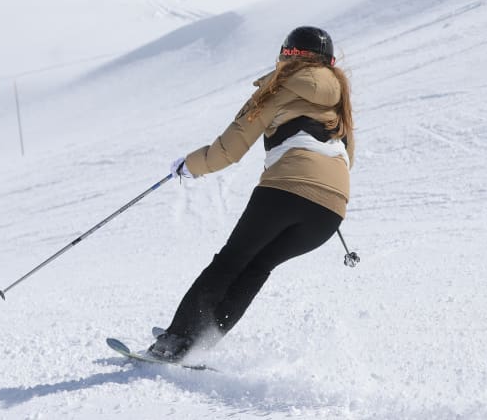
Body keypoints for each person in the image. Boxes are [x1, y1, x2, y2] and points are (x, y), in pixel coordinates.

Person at [149, 26, 355, 362]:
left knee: (231, 260)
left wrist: (189, 166)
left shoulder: (278, 89)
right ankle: (199, 341)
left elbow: (228, 150)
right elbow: (348, 160)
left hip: (285, 192)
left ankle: (176, 341)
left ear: (287, 56)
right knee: (258, 266)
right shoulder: (341, 103)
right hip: (330, 211)